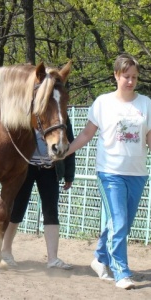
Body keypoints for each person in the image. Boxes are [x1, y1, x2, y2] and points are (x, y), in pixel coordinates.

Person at [66, 53, 151, 289]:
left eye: (134, 77)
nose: (131, 81)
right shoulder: (103, 103)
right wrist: (66, 152)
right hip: (110, 172)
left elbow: (149, 138)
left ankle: (100, 258)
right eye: (126, 76)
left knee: (121, 223)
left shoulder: (146, 104)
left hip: (137, 174)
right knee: (120, 221)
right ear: (116, 75)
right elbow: (86, 134)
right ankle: (121, 272)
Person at [1, 116, 75, 270]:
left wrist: (69, 174)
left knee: (51, 212)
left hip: (50, 168)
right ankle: (5, 252)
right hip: (25, 168)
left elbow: (69, 143)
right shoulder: (25, 114)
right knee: (16, 210)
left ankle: (53, 259)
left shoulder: (60, 115)